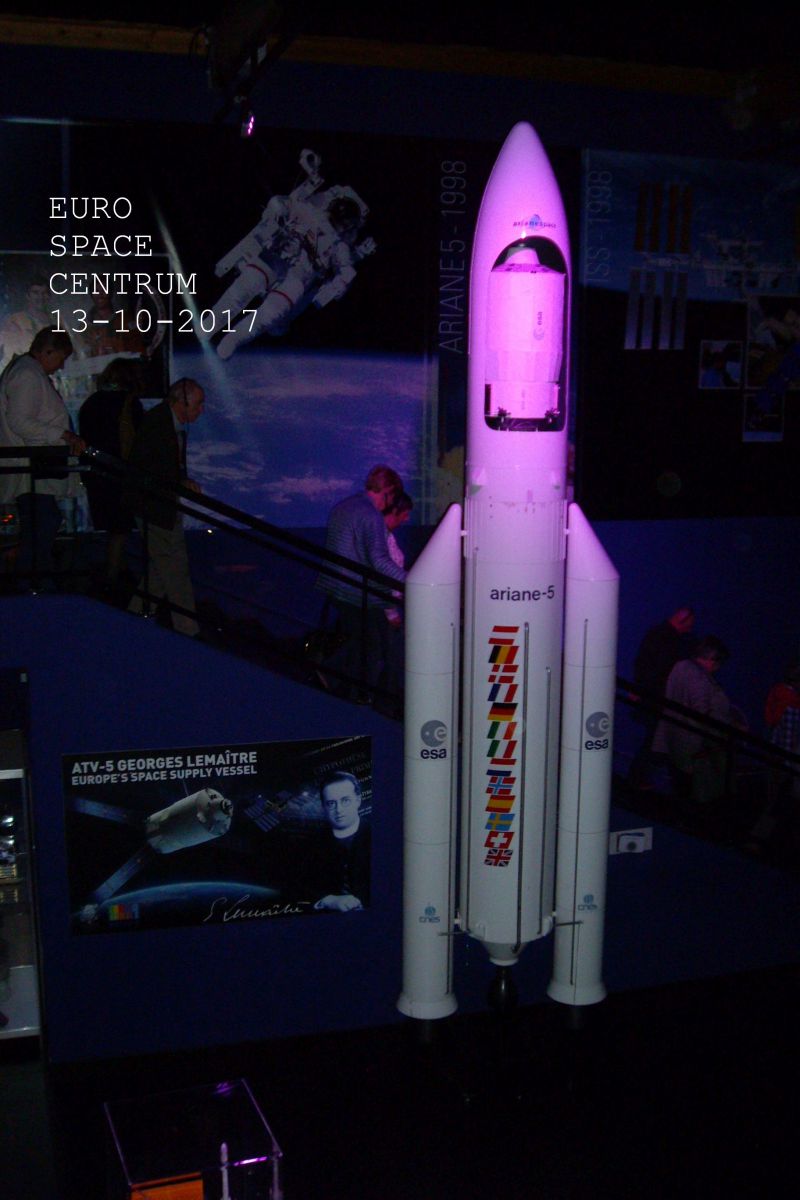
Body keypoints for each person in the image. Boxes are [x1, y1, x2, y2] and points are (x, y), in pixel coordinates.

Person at [0, 326, 85, 588]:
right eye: (61, 358)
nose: (61, 366)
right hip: (31, 469)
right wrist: (62, 435)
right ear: (47, 351)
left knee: (42, 524)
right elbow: (20, 422)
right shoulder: (27, 374)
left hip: (32, 468)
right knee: (43, 524)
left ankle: (34, 587)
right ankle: (34, 587)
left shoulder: (25, 371)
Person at [316, 464, 407, 699]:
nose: (391, 504)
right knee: (373, 646)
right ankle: (354, 695)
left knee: (362, 641)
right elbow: (379, 560)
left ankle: (337, 681)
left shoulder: (344, 506)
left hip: (335, 585)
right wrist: (411, 582)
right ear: (387, 491)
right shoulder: (371, 515)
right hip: (356, 591)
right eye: (393, 497)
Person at [125, 377, 205, 636]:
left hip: (160, 505)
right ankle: (188, 629)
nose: (201, 410)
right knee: (174, 566)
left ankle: (133, 616)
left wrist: (181, 480)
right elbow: (149, 467)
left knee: (162, 566)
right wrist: (179, 481)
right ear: (182, 402)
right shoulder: (158, 424)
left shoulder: (166, 422)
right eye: (198, 404)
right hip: (154, 506)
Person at [652, 635, 747, 811]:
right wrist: (732, 724)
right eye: (718, 663)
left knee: (679, 782)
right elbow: (702, 713)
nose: (717, 669)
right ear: (711, 659)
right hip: (693, 742)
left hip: (674, 733)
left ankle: (678, 815)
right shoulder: (700, 678)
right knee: (692, 788)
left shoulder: (680, 666)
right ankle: (688, 817)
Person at [78, 357, 145, 596]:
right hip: (121, 474)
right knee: (121, 527)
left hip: (97, 474)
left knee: (114, 527)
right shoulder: (129, 404)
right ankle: (113, 578)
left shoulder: (92, 402)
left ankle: (118, 572)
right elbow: (139, 440)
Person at [628, 606, 695, 789]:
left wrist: (637, 688)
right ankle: (638, 778)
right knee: (655, 738)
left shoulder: (658, 634)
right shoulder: (668, 639)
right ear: (682, 621)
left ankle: (639, 777)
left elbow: (642, 663)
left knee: (655, 737)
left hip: (653, 694)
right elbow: (648, 666)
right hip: (656, 696)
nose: (689, 629)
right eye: (688, 625)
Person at [299, 771, 370, 912]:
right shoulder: (310, 843)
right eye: (331, 803)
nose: (339, 810)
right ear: (323, 807)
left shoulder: (378, 834)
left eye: (345, 800)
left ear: (358, 800)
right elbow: (299, 887)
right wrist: (327, 900)